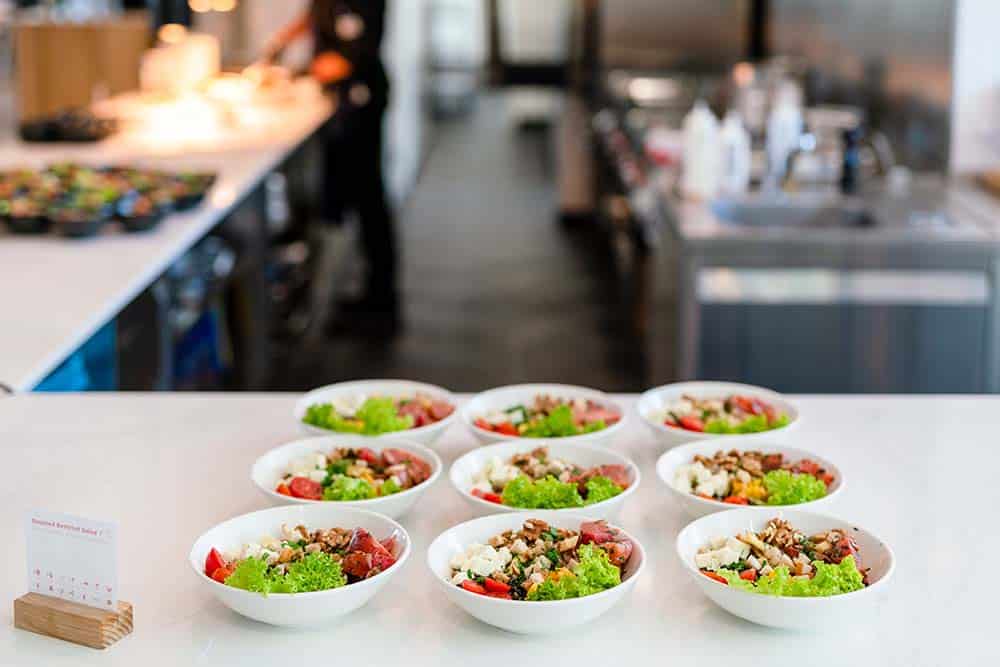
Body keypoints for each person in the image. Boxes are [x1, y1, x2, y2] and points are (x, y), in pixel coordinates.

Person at [264, 0, 399, 331]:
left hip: (361, 102)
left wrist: (295, 72)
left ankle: (381, 301)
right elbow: (314, 14)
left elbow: (345, 58)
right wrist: (282, 39)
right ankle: (364, 291)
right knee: (348, 198)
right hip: (340, 106)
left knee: (369, 201)